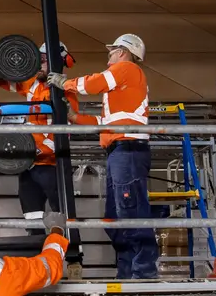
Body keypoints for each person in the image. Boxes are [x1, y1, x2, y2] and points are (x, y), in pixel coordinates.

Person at [45, 33, 158, 280]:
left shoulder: (126, 68)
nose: (109, 53)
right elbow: (105, 122)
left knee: (130, 211)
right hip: (120, 151)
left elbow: (93, 84)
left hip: (128, 149)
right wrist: (75, 118)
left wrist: (66, 83)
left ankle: (143, 272)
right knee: (115, 215)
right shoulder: (122, 87)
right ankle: (128, 270)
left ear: (123, 51)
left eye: (113, 49)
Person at [0, 42, 80, 235]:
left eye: (43, 61)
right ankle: (37, 253)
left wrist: (37, 147)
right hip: (30, 164)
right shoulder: (33, 83)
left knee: (64, 214)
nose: (38, 65)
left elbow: (64, 127)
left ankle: (74, 256)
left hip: (53, 164)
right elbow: (7, 75)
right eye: (38, 61)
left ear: (57, 63)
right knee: (32, 216)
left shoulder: (65, 90)